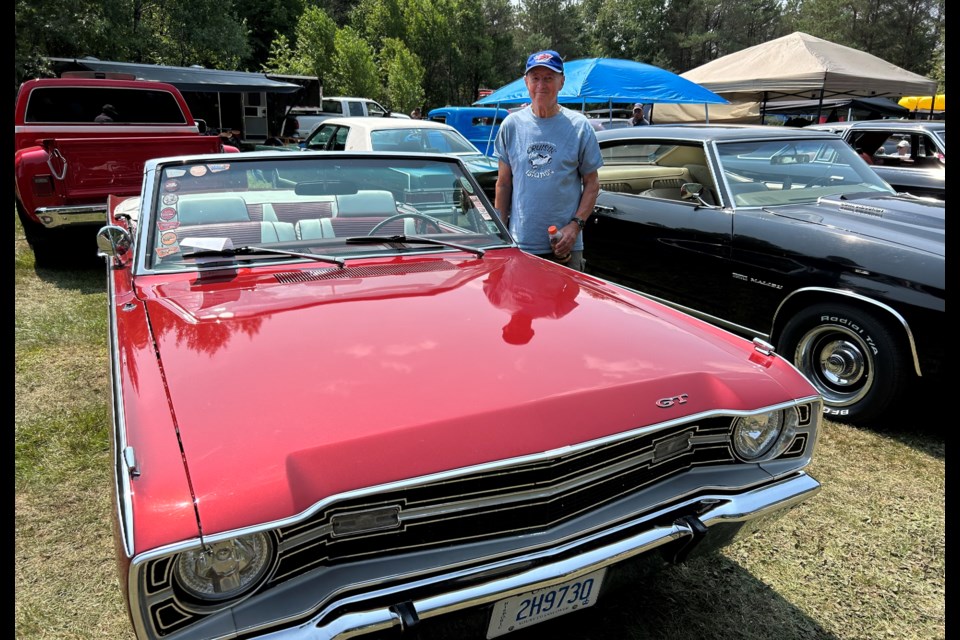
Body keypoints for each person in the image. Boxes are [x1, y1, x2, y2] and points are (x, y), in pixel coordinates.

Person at [493, 50, 603, 272]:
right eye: (535, 78)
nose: (541, 85)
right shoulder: (511, 126)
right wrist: (499, 229)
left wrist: (575, 226)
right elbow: (504, 183)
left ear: (561, 82)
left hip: (565, 247)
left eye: (548, 78)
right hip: (521, 245)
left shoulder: (579, 127)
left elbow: (592, 183)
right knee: (522, 306)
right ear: (526, 82)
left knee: (566, 307)